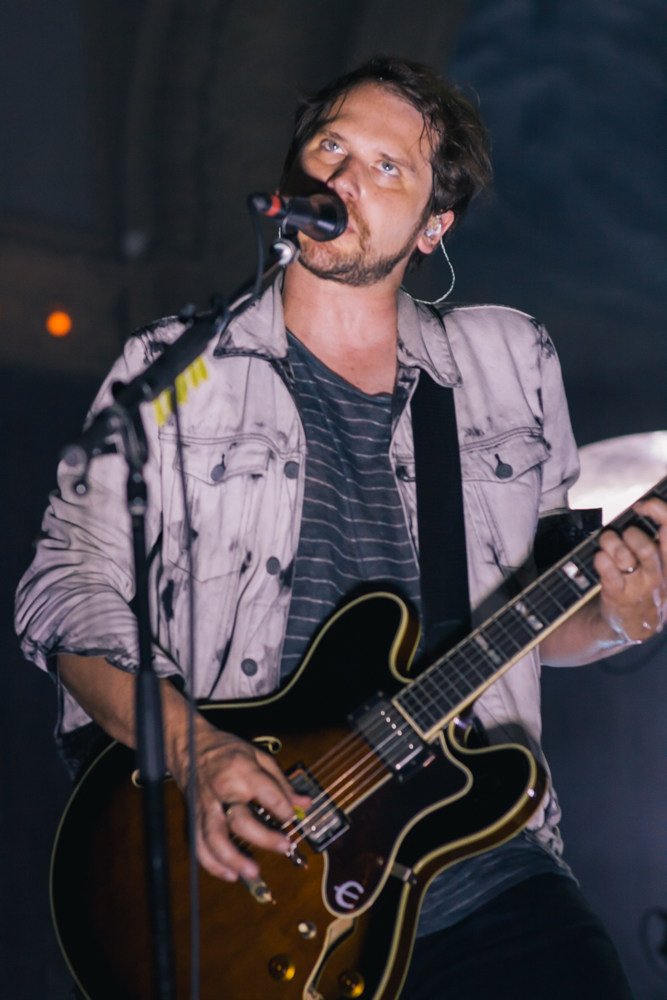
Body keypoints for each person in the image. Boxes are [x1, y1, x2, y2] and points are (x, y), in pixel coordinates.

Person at [15, 57, 667, 999]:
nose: (342, 179)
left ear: (433, 226)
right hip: (244, 855)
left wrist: (617, 614)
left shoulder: (507, 362)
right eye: (329, 148)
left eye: (385, 167)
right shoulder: (174, 366)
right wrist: (196, 752)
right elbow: (63, 596)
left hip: (473, 850)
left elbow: (542, 620)